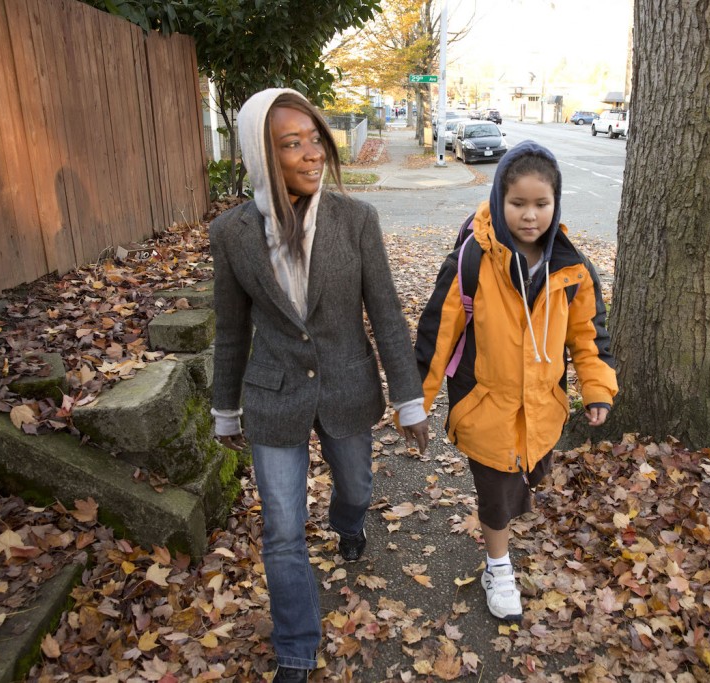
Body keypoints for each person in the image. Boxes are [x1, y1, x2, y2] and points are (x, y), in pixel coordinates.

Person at [210, 88, 429, 682]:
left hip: (347, 384)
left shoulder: (357, 220)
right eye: (291, 143)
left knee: (356, 486)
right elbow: (231, 331)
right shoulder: (231, 234)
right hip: (273, 394)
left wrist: (409, 401)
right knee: (281, 532)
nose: (311, 154)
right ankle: (296, 651)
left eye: (314, 139)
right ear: (261, 155)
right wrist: (224, 410)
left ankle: (349, 522)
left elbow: (385, 314)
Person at [414, 141, 618, 621]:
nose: (530, 216)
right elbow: (435, 337)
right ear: (499, 202)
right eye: (518, 203)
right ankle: (498, 565)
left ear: (557, 204)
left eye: (541, 204)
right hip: (485, 405)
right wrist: (415, 404)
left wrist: (596, 388)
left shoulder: (572, 270)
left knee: (519, 484)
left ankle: (500, 540)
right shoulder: (471, 262)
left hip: (542, 407)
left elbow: (590, 337)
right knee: (497, 497)